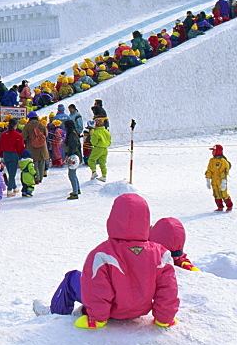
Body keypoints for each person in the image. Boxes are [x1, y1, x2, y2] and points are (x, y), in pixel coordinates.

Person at [75, 193, 179, 329]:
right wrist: (165, 318)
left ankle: (55, 313)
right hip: (140, 311)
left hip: (113, 313)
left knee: (71, 278)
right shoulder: (161, 253)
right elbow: (167, 288)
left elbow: (97, 287)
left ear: (113, 219)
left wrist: (97, 319)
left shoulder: (102, 254)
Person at [0, 121, 25, 195]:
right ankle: (9, 190)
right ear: (15, 126)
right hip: (14, 154)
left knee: (10, 172)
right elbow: (20, 147)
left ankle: (15, 187)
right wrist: (21, 155)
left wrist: (0, 154)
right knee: (12, 174)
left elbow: (0, 145)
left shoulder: (3, 135)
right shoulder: (18, 135)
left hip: (5, 154)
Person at [21, 111, 48, 183]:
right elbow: (46, 134)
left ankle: (36, 178)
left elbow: (24, 137)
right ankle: (41, 177)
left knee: (34, 162)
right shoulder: (41, 124)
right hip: (42, 147)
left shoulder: (27, 126)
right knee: (41, 162)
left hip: (32, 146)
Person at [205, 144, 233, 212]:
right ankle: (219, 206)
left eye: (214, 151)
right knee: (216, 193)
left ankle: (229, 205)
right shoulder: (212, 160)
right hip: (214, 181)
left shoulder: (222, 161)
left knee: (223, 193)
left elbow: (223, 172)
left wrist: (223, 181)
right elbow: (209, 170)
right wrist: (208, 179)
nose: (212, 152)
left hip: (221, 180)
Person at [64, 122, 83, 200]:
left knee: (72, 175)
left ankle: (75, 193)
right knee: (73, 174)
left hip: (73, 156)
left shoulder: (71, 135)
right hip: (77, 155)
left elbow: (72, 147)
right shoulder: (74, 134)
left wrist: (68, 156)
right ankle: (77, 189)